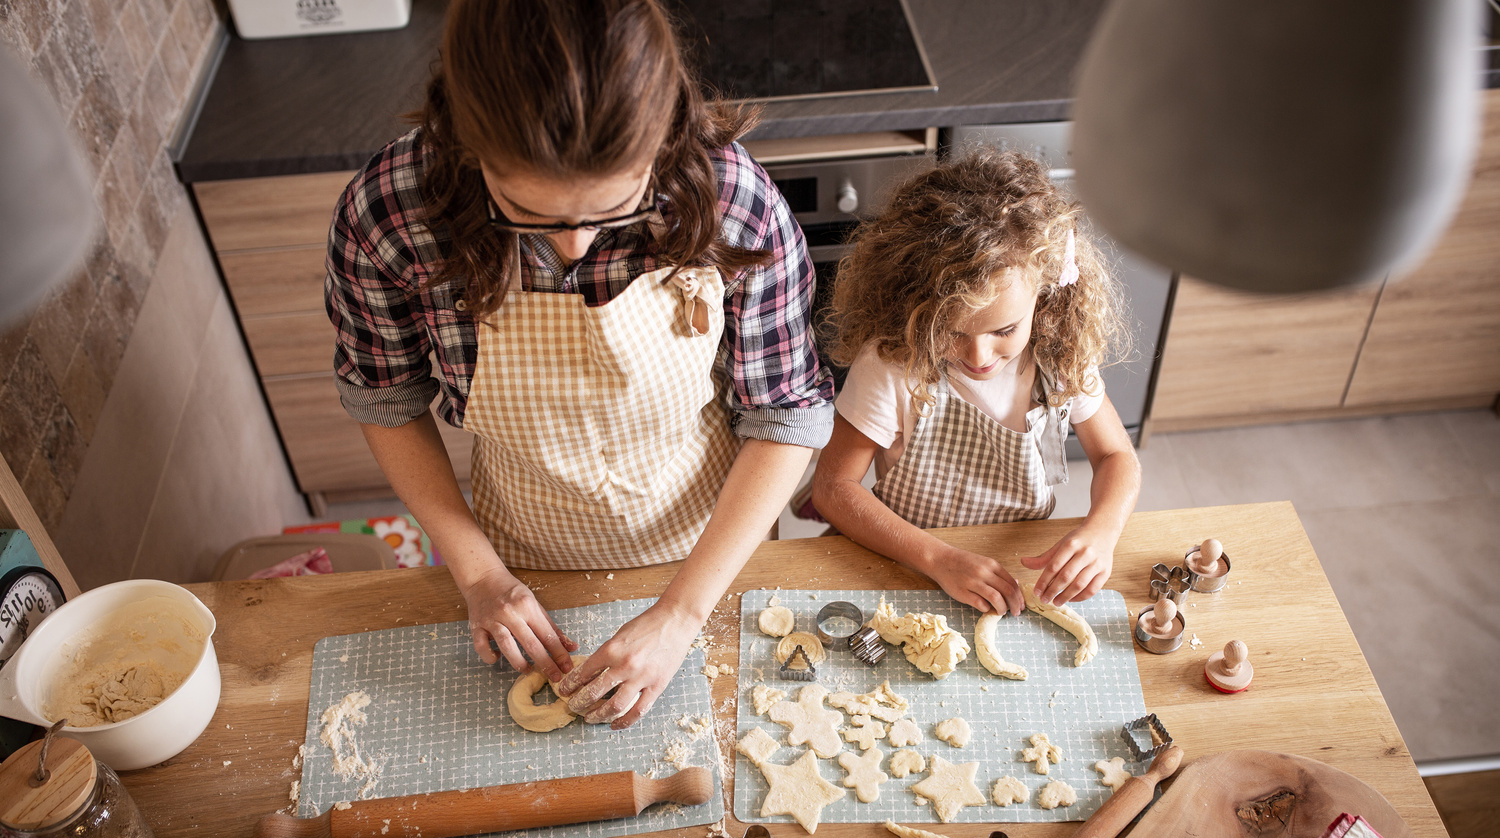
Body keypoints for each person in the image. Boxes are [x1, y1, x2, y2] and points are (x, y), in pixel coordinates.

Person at [326, 0, 833, 728]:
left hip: (712, 546)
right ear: (469, 145)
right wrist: (479, 573)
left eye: (613, 207)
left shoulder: (732, 199)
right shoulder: (391, 214)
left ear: (661, 138)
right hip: (518, 552)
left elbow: (786, 415)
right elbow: (387, 399)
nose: (575, 247)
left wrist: (683, 612)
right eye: (529, 212)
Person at [811, 149, 1140, 615]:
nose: (978, 356)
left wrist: (1102, 531)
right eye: (951, 331)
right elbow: (832, 488)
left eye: (1004, 331)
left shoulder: (1056, 355)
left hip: (1018, 572)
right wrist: (938, 558)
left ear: (1043, 297)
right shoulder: (894, 364)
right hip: (912, 566)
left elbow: (1115, 456)